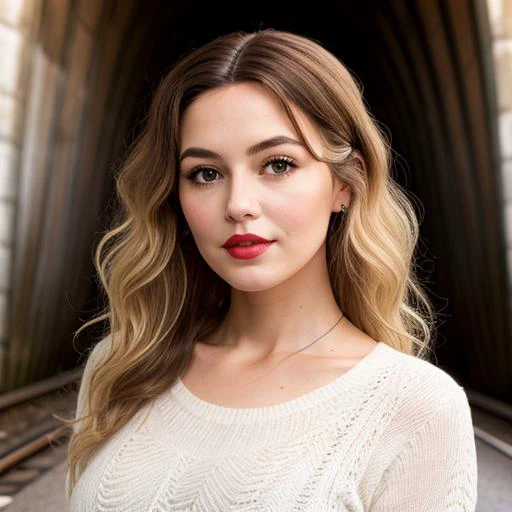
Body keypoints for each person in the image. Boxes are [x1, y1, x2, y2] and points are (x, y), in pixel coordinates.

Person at [63, 28, 478, 511]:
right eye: (206, 173)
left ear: (347, 183)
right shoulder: (123, 367)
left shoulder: (413, 408)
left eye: (278, 164)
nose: (239, 204)